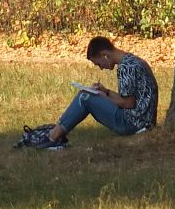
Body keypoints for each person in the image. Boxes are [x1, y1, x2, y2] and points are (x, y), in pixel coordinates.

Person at [29, 36, 159, 150]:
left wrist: (103, 96)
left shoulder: (125, 68)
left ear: (105, 55)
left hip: (133, 123)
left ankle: (52, 138)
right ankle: (56, 133)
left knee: (84, 97)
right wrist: (105, 91)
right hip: (144, 119)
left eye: (98, 63)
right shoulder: (133, 61)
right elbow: (129, 98)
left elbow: (128, 103)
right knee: (88, 95)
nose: (101, 68)